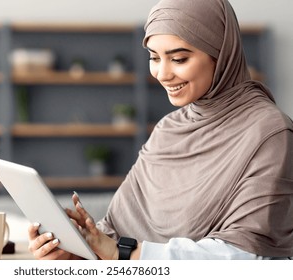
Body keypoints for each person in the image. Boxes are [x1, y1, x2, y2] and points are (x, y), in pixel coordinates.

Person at [28, 0, 293, 260]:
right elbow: (115, 232)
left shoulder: (270, 133)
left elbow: (247, 254)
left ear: (222, 56)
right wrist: (78, 249)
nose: (162, 74)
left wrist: (125, 254)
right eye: (154, 57)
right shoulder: (168, 129)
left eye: (178, 58)